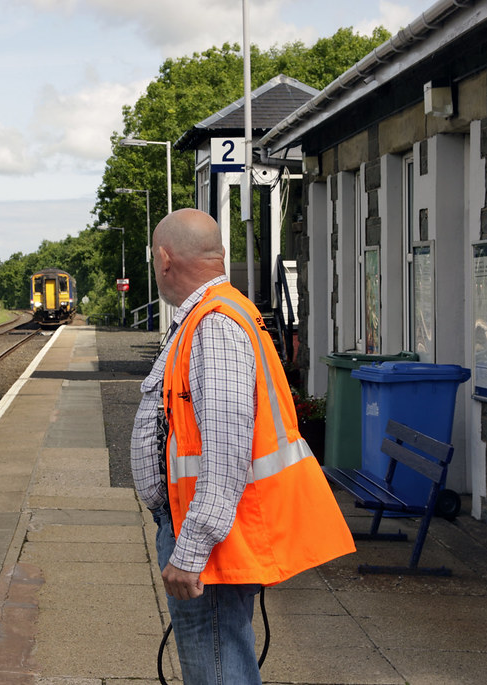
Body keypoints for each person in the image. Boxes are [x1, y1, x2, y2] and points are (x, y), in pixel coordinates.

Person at [131, 208, 356, 684]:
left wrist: (191, 549)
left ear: (164, 259)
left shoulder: (213, 326)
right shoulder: (216, 315)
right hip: (209, 526)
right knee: (218, 655)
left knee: (215, 663)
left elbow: (227, 451)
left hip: (210, 536)